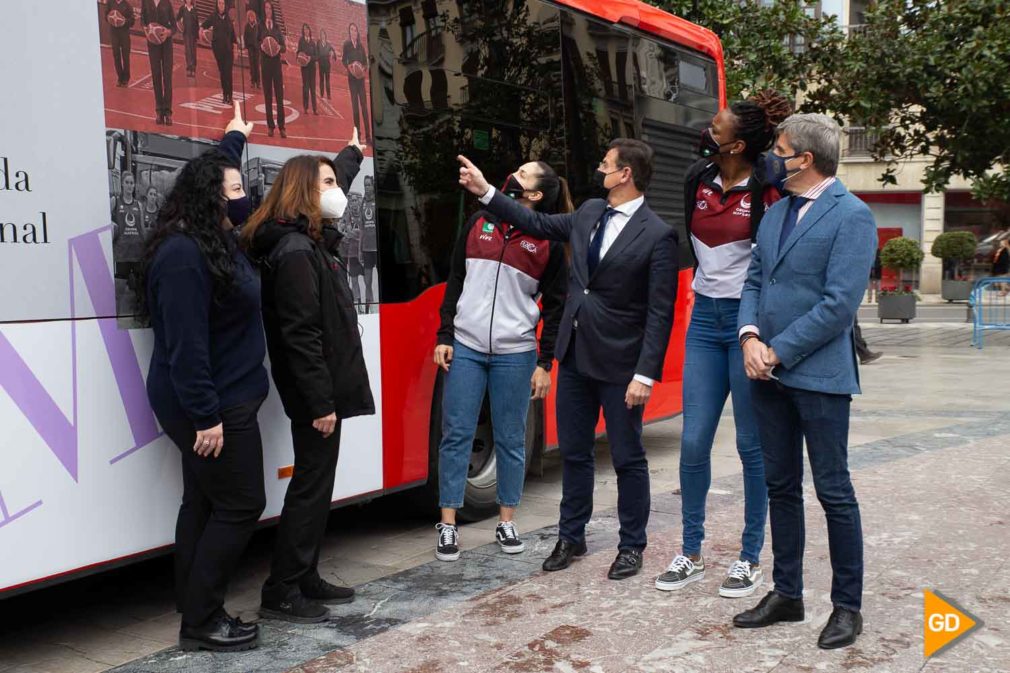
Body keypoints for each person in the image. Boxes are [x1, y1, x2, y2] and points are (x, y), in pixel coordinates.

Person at [457, 140, 679, 581]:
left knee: (627, 457)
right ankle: (570, 536)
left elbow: (660, 313)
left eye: (606, 165)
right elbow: (534, 220)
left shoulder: (659, 234)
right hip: (576, 357)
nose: (600, 169)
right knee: (575, 453)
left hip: (621, 366)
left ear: (626, 174)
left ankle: (632, 544)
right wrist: (486, 192)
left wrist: (645, 375)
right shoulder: (591, 211)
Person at [733, 113, 876, 650]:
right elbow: (754, 280)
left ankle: (847, 607)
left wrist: (777, 349)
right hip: (765, 374)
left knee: (834, 491)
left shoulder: (852, 216)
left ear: (806, 159)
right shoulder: (774, 214)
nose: (772, 156)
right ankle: (786, 593)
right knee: (780, 486)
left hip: (817, 375)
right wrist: (749, 338)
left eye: (780, 149)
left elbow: (839, 305)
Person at [137, 105, 265, 652]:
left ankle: (193, 606)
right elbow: (186, 348)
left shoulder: (207, 237)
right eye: (235, 188)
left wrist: (233, 137)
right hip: (212, 405)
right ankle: (202, 621)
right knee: (240, 505)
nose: (244, 195)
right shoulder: (185, 255)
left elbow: (221, 169)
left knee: (204, 503)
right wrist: (206, 415)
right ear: (213, 196)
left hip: (220, 398)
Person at [654, 92, 791, 600]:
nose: (705, 130)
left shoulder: (768, 186)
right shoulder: (697, 178)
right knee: (693, 442)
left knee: (749, 445)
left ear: (736, 143)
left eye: (716, 126)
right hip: (704, 322)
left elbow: (773, 258)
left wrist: (758, 326)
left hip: (747, 324)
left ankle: (750, 557)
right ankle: (690, 551)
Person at [244, 138, 373, 623]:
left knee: (318, 484)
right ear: (304, 192)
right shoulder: (297, 252)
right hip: (314, 396)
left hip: (320, 392)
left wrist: (352, 155)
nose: (336, 189)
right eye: (328, 184)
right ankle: (282, 588)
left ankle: (305, 575)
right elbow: (300, 336)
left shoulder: (304, 239)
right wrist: (321, 403)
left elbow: (331, 174)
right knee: (310, 486)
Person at [433, 162, 569, 562]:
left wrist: (545, 362)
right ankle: (447, 525)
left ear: (536, 195)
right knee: (455, 434)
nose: (513, 174)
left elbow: (558, 307)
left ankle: (507, 521)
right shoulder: (479, 222)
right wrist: (445, 335)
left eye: (524, 174)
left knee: (511, 439)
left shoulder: (548, 243)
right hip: (468, 346)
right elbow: (455, 280)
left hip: (516, 353)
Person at [112, 172, 149, 314]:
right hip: (122, 254)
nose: (129, 186)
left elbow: (142, 228)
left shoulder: (138, 205)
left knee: (141, 291)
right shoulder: (115, 201)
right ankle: (115, 318)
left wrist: (147, 249)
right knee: (118, 292)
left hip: (137, 253)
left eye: (131, 183)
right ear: (122, 184)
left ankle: (141, 318)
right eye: (127, 182)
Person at [142, 0, 176, 126]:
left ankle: (168, 112)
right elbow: (143, 20)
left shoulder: (167, 3)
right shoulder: (146, 2)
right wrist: (147, 31)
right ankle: (159, 112)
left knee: (167, 78)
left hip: (166, 45)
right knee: (156, 77)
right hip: (153, 45)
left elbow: (174, 26)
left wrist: (168, 32)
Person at [258, 2, 286, 138]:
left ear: (272, 10)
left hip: (276, 65)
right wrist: (261, 47)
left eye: (269, 8)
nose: (268, 10)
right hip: (265, 65)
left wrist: (279, 47)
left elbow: (284, 46)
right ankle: (270, 126)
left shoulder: (277, 27)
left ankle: (282, 127)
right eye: (266, 8)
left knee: (279, 97)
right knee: (268, 97)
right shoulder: (260, 26)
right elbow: (256, 42)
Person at [203, 0, 238, 104]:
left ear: (225, 5)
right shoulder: (213, 16)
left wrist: (235, 50)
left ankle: (230, 96)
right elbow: (204, 25)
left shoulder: (228, 19)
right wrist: (201, 31)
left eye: (223, 3)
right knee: (222, 73)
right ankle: (225, 95)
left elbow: (233, 37)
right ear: (217, 5)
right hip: (218, 50)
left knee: (228, 73)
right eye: (219, 3)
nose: (221, 5)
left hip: (228, 51)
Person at [342, 23, 370, 143]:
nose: (353, 32)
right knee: (355, 108)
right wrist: (349, 67)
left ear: (357, 32)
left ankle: (368, 136)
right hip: (352, 80)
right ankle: (358, 135)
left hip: (361, 80)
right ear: (349, 32)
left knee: (364, 106)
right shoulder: (347, 45)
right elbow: (344, 60)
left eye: (355, 30)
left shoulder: (361, 46)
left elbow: (365, 63)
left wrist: (363, 69)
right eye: (351, 30)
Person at [106, 0, 135, 87]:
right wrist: (111, 19)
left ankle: (126, 79)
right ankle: (120, 78)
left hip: (124, 34)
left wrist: (123, 21)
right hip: (114, 33)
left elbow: (132, 22)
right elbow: (106, 16)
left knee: (125, 56)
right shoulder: (110, 3)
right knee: (116, 55)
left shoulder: (127, 5)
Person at [360, 175, 378, 304]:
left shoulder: (377, 201)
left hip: (377, 247)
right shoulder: (362, 203)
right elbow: (361, 228)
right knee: (367, 280)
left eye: (369, 185)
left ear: (373, 186)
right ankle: (369, 304)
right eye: (365, 185)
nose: (367, 187)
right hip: (366, 247)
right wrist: (360, 248)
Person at [297, 24, 319, 116]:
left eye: (307, 29)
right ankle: (305, 107)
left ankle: (315, 109)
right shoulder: (301, 41)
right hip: (304, 68)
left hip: (312, 68)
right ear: (303, 31)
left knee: (313, 89)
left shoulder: (313, 43)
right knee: (305, 88)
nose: (306, 31)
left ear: (309, 31)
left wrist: (310, 58)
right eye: (304, 29)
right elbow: (298, 52)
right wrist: (299, 58)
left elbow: (316, 56)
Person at [177, 0, 199, 77]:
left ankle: (193, 69)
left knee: (193, 52)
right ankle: (189, 68)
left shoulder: (194, 10)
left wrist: (197, 34)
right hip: (186, 33)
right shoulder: (182, 9)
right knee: (188, 51)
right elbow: (177, 19)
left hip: (193, 34)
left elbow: (197, 23)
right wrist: (180, 26)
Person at [243, 10, 261, 89]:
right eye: (250, 17)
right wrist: (246, 46)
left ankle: (258, 82)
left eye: (253, 17)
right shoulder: (247, 26)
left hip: (257, 48)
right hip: (250, 48)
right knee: (252, 65)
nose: (252, 18)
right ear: (248, 18)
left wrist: (259, 45)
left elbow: (260, 37)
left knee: (257, 65)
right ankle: (253, 82)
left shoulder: (257, 26)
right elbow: (245, 37)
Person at [317, 29, 336, 100]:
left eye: (323, 34)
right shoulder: (318, 43)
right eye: (321, 34)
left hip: (327, 64)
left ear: (325, 35)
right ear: (320, 36)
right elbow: (316, 52)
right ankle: (322, 94)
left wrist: (333, 54)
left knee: (327, 80)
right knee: (321, 80)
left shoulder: (329, 44)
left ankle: (328, 95)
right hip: (321, 64)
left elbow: (333, 52)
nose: (323, 36)